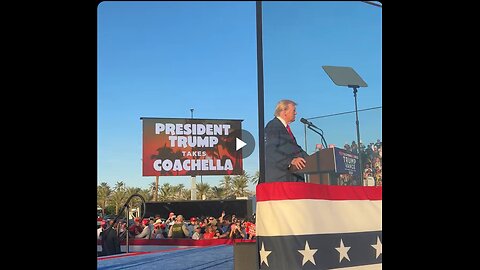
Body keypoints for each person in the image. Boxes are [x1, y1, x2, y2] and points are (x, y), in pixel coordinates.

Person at [265, 99, 308, 182]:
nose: (296, 113)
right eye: (294, 110)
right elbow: (270, 150)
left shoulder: (286, 129)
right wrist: (291, 161)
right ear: (284, 111)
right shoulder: (273, 126)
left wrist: (319, 159)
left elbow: (298, 151)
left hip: (292, 180)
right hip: (279, 181)